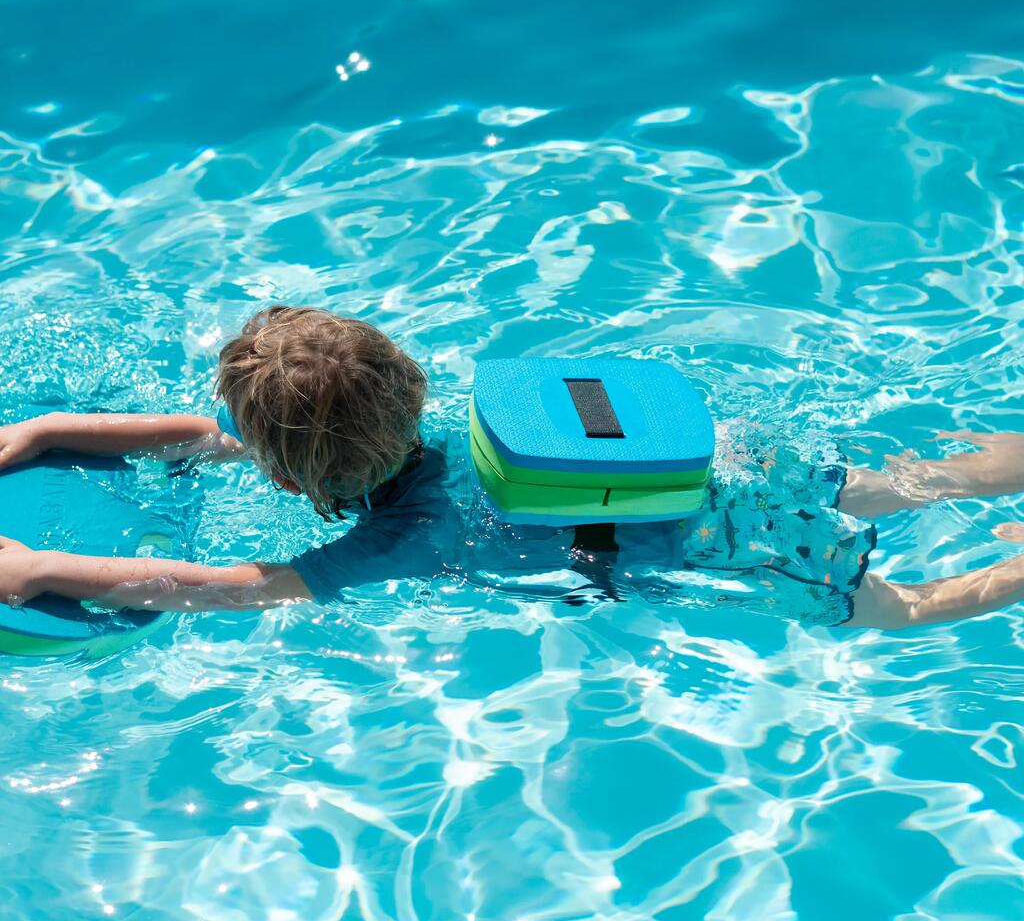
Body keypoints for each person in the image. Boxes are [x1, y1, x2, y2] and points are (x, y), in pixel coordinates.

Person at [0, 304, 1022, 631]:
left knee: (901, 611)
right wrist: (46, 432)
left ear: (288, 474)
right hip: (719, 462)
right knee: (913, 481)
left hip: (726, 536)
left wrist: (38, 569)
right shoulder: (443, 420)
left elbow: (235, 588)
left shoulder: (397, 538)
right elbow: (216, 431)